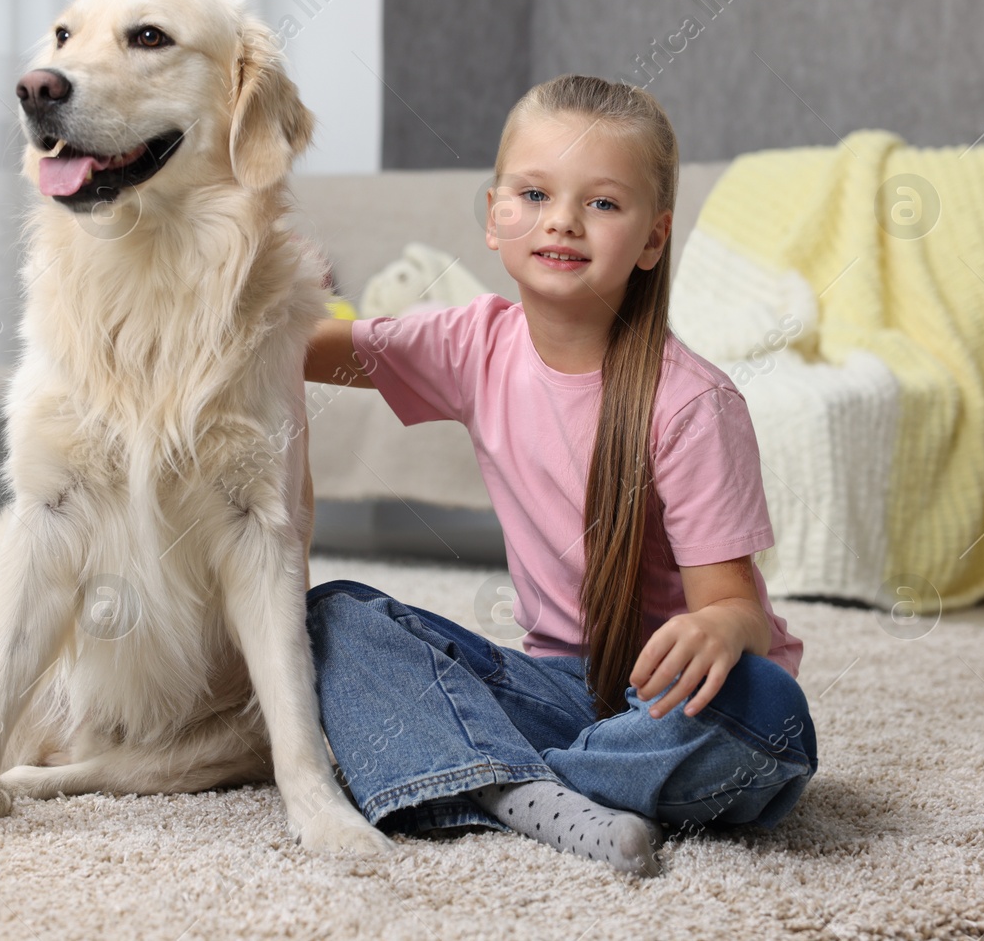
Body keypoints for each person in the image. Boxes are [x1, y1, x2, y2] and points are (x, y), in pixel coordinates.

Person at [302, 74, 817, 876]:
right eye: (535, 192)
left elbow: (736, 608)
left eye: (604, 203)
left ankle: (493, 778)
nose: (563, 221)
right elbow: (301, 347)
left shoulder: (691, 403)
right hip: (555, 688)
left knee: (773, 713)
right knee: (335, 616)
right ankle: (543, 789)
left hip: (674, 702)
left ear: (653, 239)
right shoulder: (472, 342)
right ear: (495, 217)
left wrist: (717, 630)